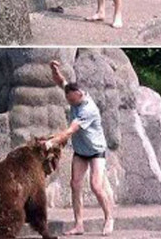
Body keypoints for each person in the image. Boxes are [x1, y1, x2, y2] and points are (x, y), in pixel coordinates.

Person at [46, 60, 114, 236]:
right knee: (75, 184)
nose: (69, 102)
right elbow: (61, 81)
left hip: (96, 151)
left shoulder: (88, 109)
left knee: (96, 186)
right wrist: (54, 69)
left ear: (78, 95)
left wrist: (51, 142)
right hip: (81, 151)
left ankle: (109, 218)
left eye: (70, 100)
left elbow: (70, 131)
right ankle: (79, 225)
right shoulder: (73, 93)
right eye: (67, 99)